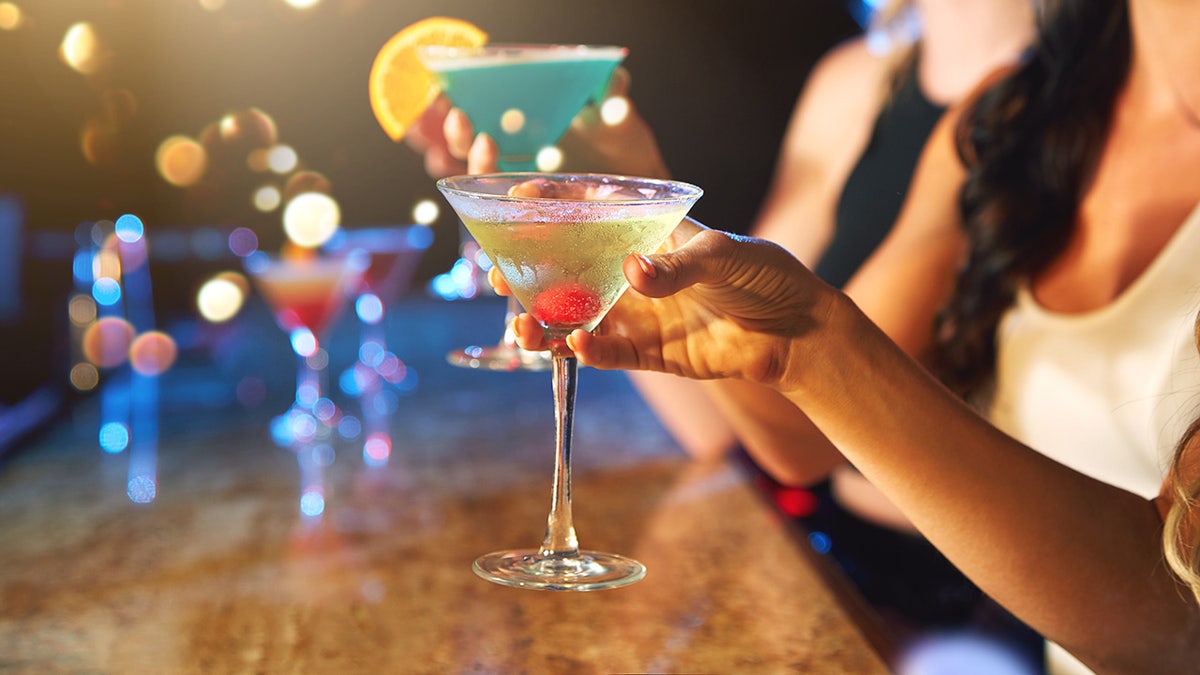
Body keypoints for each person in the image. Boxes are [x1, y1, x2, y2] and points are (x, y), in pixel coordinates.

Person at [487, 0, 1200, 672]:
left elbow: (1179, 626)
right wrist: (784, 341)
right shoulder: (1012, 115)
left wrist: (807, 343)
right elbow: (801, 437)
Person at [417, 0, 1041, 651]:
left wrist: (639, 207)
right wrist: (619, 204)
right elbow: (724, 410)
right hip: (816, 563)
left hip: (965, 611)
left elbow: (804, 440)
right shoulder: (853, 82)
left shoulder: (1046, 106)